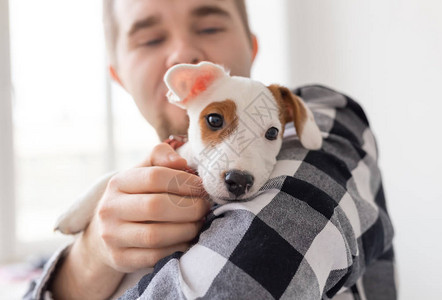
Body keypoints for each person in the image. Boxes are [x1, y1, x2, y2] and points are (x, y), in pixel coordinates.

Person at [24, 0, 396, 299]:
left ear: (251, 44)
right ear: (119, 75)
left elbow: (238, 285)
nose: (183, 50)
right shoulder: (137, 185)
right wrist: (87, 261)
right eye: (151, 39)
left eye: (209, 26)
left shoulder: (326, 118)